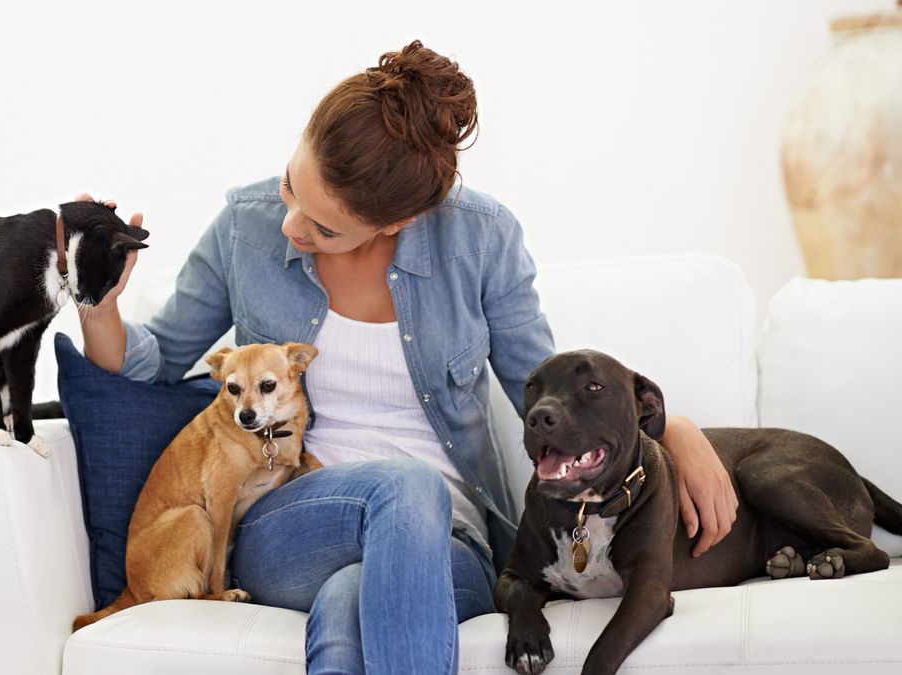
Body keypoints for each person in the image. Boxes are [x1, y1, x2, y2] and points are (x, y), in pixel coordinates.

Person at [78, 40, 737, 675]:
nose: (290, 227)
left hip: (451, 543)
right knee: (406, 483)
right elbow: (156, 363)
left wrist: (670, 428)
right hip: (294, 520)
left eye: (323, 227)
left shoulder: (481, 238)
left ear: (396, 223)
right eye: (288, 189)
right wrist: (97, 303)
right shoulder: (243, 226)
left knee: (349, 599)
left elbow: (546, 392)